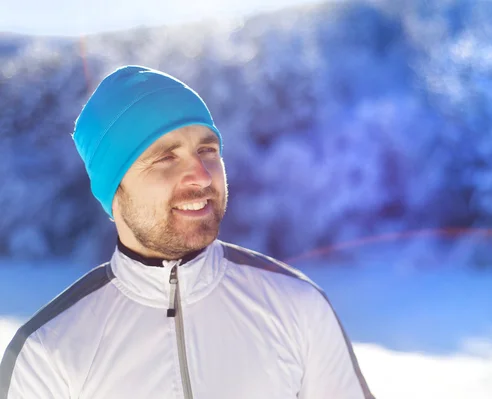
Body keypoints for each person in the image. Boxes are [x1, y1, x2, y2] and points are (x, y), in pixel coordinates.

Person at [0, 65, 375, 398]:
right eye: (166, 157)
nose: (200, 175)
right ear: (115, 189)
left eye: (208, 150)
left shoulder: (297, 306)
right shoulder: (47, 351)